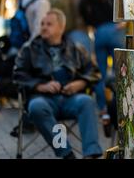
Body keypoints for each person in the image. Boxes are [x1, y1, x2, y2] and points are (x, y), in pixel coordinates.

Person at [13, 9, 102, 159]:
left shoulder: (75, 48)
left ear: (61, 28)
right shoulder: (29, 49)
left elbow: (94, 72)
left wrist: (80, 84)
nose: (44, 27)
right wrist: (40, 86)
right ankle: (66, 153)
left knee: (86, 101)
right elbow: (18, 75)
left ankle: (91, 153)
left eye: (49, 24)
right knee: (36, 107)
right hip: (43, 99)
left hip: (70, 98)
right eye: (42, 24)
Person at [80, 0, 125, 125]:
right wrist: (123, 22)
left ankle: (103, 109)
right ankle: (118, 107)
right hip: (116, 30)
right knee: (120, 70)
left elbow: (82, 7)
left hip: (99, 32)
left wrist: (91, 23)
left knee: (100, 72)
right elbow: (126, 5)